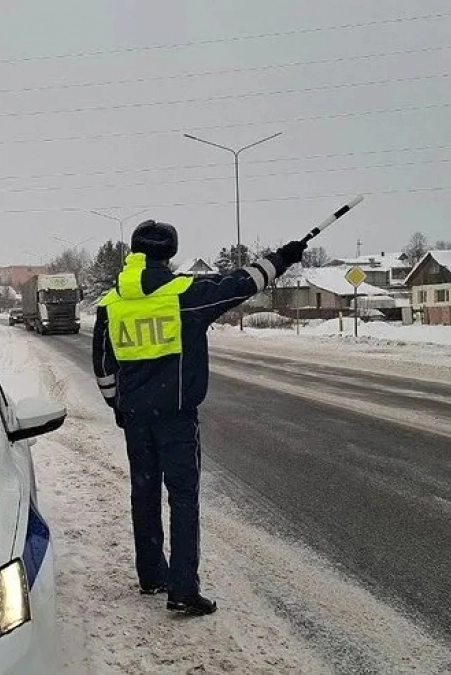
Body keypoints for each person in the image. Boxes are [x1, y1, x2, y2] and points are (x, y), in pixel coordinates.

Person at [91, 220, 306, 616]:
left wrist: (118, 407)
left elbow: (103, 365)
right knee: (184, 498)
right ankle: (183, 588)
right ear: (170, 253)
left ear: (135, 251)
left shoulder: (111, 302)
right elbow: (243, 283)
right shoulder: (185, 295)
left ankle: (152, 574)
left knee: (144, 492)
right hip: (176, 417)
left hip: (136, 418)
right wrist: (284, 257)